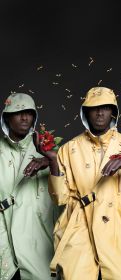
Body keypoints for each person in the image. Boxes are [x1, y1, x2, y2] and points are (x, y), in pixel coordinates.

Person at [35, 86, 121, 280]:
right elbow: (60, 198)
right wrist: (53, 161)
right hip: (80, 230)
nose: (100, 112)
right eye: (94, 107)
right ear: (85, 112)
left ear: (113, 112)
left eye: (105, 107)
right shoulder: (69, 148)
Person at [0, 93, 58, 280]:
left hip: (38, 234)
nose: (25, 118)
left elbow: (66, 191)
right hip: (3, 232)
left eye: (29, 113)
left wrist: (50, 161)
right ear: (7, 118)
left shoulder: (49, 151)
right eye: (18, 113)